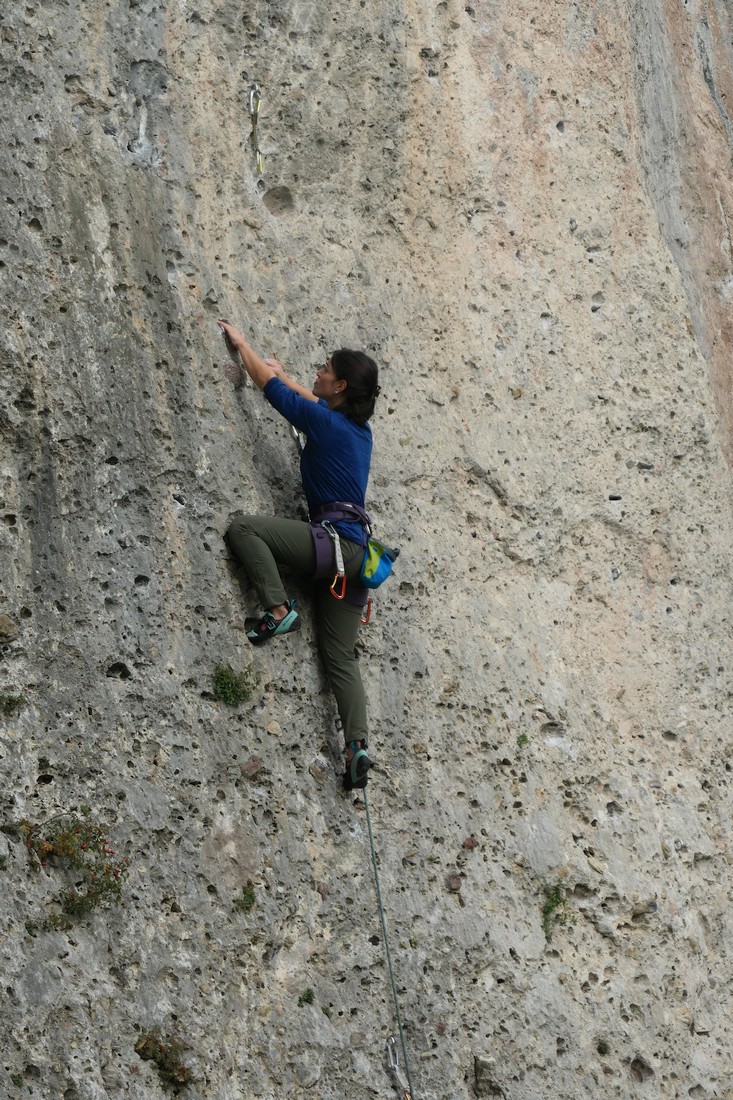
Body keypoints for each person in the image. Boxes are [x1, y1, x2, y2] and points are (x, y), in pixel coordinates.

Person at [218, 319, 381, 791]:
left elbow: (274, 391)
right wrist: (285, 372)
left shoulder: (327, 422)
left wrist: (244, 346)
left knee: (245, 529)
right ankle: (358, 747)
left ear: (341, 385)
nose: (319, 370)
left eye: (325, 368)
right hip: (357, 560)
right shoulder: (357, 430)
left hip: (333, 547)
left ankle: (276, 609)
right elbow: (307, 400)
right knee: (340, 659)